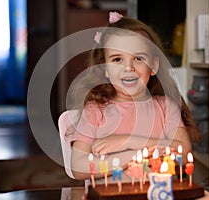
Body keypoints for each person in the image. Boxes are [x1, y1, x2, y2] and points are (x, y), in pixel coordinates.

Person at [59, 12, 200, 180]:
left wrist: (128, 141)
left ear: (153, 66)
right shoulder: (95, 111)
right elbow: (78, 166)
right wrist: (132, 157)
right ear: (105, 69)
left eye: (138, 58)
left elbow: (183, 153)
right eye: (117, 59)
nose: (129, 67)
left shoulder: (166, 107)